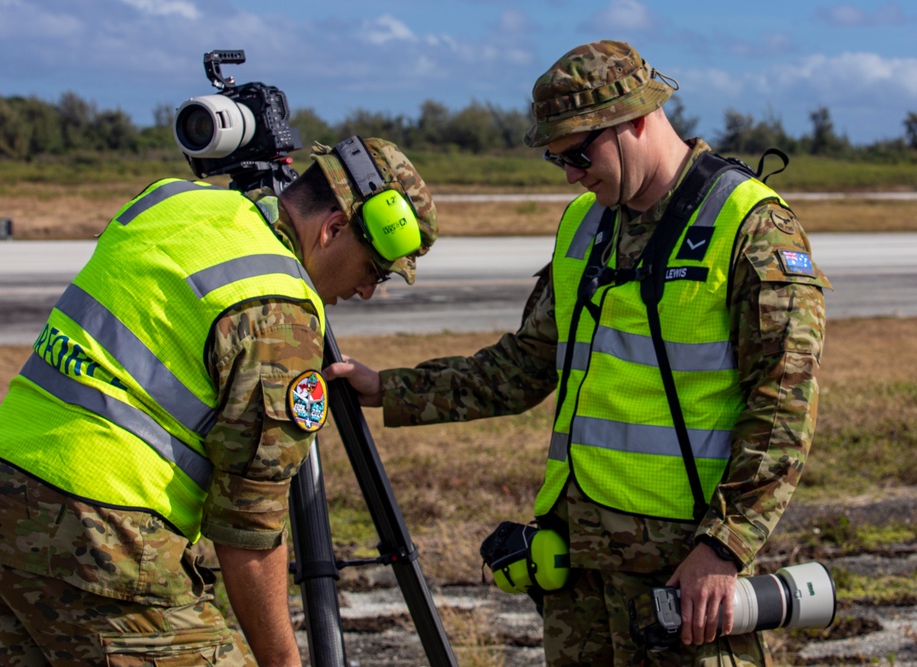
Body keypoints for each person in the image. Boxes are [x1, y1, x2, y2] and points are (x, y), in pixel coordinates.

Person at [325, 41, 831, 666]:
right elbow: (522, 366)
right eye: (554, 158)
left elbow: (782, 411)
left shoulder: (751, 227)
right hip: (578, 569)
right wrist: (389, 389)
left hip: (680, 574)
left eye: (578, 154)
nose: (569, 174)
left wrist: (723, 549)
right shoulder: (585, 226)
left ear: (636, 119)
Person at [0, 136, 437, 666]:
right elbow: (247, 535)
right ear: (334, 229)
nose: (369, 291)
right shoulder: (280, 308)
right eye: (374, 270)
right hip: (99, 536)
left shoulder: (172, 201)